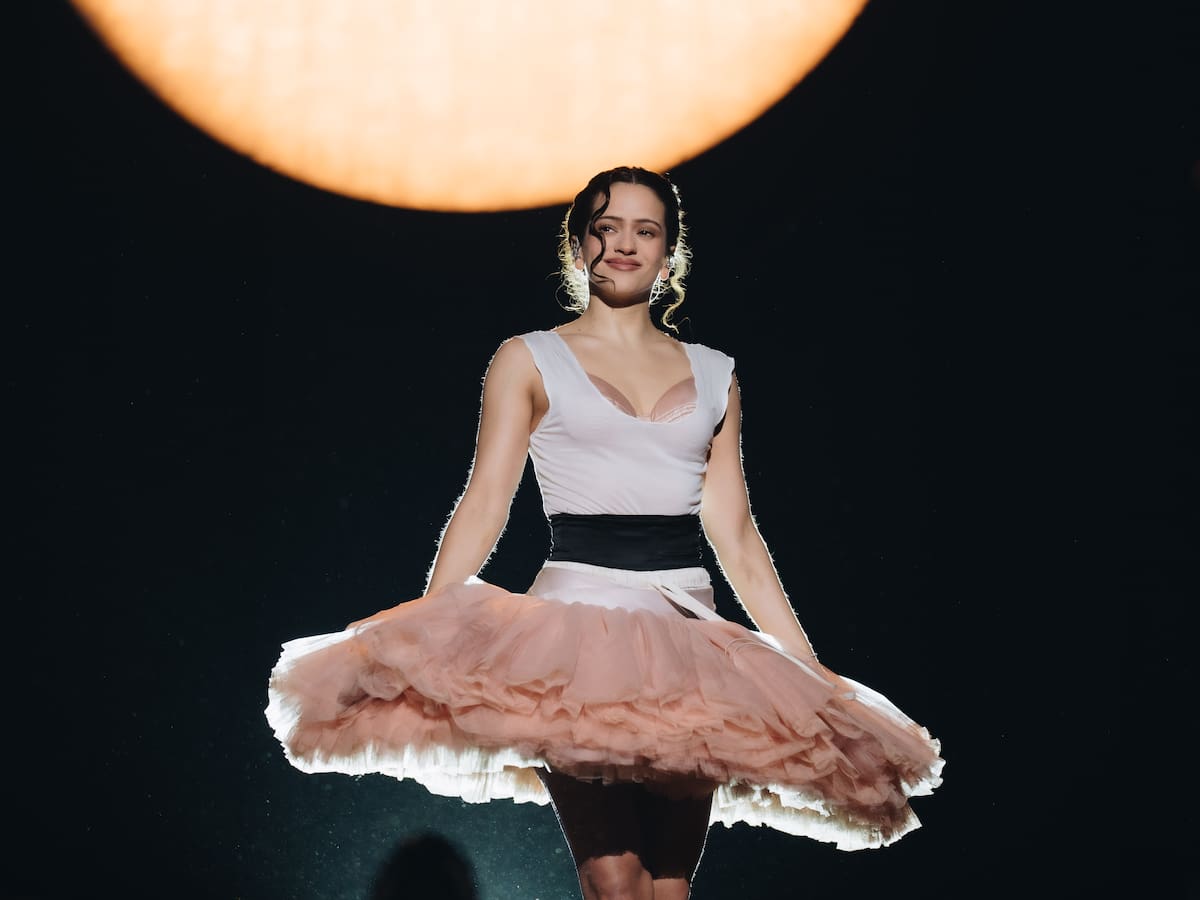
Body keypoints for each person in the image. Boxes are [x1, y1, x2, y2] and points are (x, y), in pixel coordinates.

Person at [266, 166, 944, 900]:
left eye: (644, 230)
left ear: (668, 251)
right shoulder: (528, 358)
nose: (624, 244)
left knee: (668, 889)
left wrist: (809, 671)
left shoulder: (716, 375)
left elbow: (737, 534)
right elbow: (487, 498)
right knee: (613, 882)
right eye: (607, 226)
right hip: (575, 641)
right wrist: (427, 631)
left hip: (690, 638)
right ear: (579, 242)